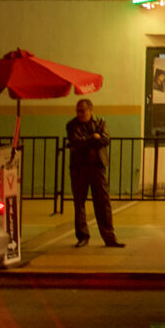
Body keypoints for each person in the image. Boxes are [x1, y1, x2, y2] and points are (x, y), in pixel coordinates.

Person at [66, 98, 123, 247]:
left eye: (83, 110)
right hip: (79, 167)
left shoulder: (100, 122)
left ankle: (109, 237)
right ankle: (83, 236)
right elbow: (76, 141)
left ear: (91, 110)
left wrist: (87, 141)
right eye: (78, 111)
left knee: (103, 202)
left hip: (97, 166)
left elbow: (105, 139)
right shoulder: (72, 125)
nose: (80, 113)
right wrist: (93, 138)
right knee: (79, 202)